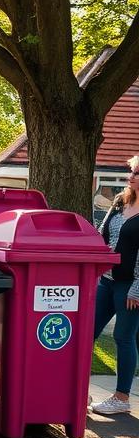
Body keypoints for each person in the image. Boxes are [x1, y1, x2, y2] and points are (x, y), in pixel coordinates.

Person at [92, 156, 139, 414]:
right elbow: (101, 233)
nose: (131, 177)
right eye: (131, 171)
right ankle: (77, 389)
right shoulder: (121, 200)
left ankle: (121, 398)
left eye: (137, 173)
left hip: (130, 286)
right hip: (107, 280)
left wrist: (137, 288)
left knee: (123, 337)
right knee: (86, 333)